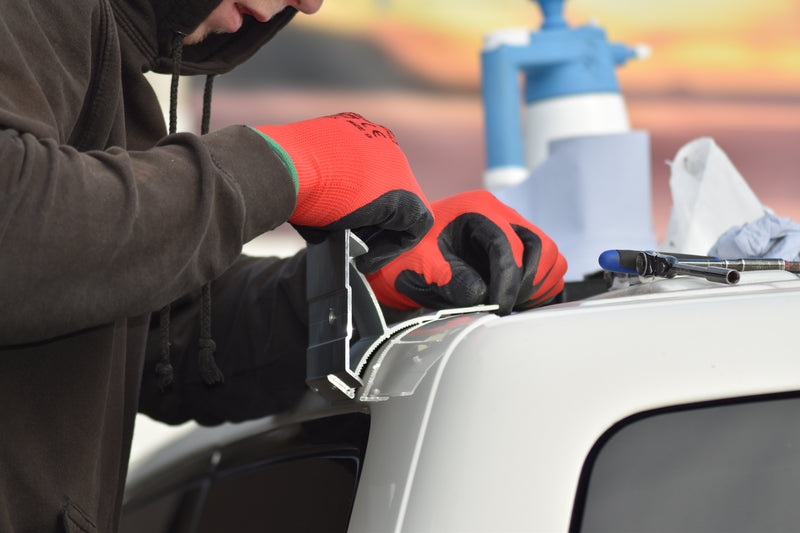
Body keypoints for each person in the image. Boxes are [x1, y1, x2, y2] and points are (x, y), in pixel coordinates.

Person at [0, 0, 567, 530]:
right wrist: (288, 165)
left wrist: (366, 291)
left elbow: (156, 339)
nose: (311, 3)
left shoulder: (109, 63)